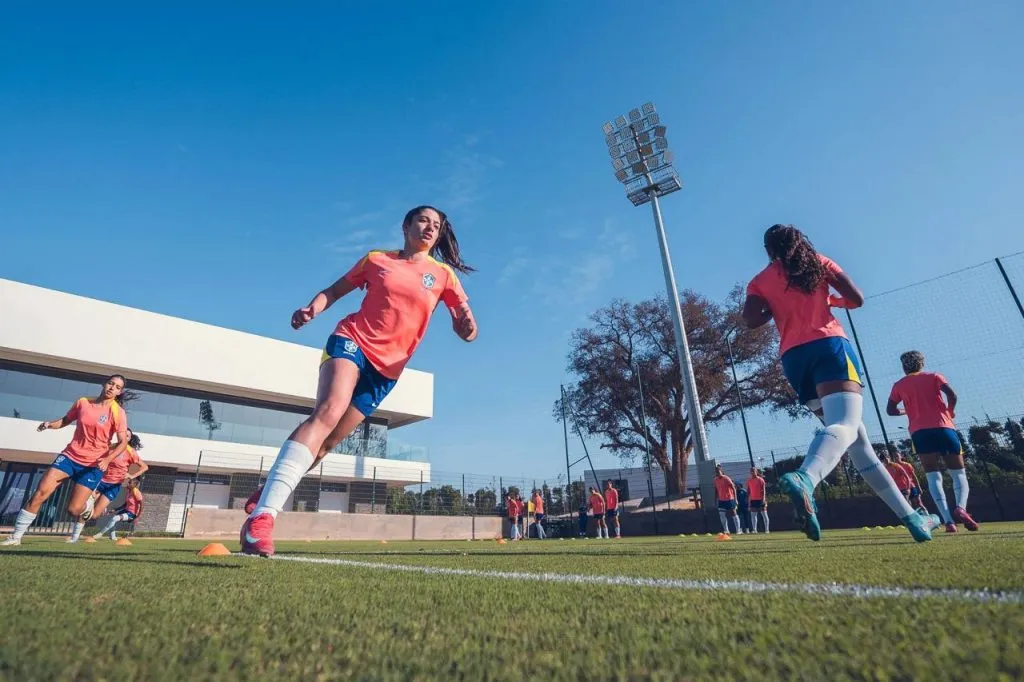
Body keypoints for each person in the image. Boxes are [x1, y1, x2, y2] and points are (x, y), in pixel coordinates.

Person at [241, 206, 478, 556]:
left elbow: (466, 324)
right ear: (407, 225)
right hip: (353, 341)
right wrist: (312, 309)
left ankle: (270, 488)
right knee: (328, 412)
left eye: (437, 225)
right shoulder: (377, 259)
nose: (430, 228)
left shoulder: (443, 276)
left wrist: (467, 328)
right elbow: (334, 291)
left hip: (387, 371)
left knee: (326, 445)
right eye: (424, 220)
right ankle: (263, 519)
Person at [742, 224, 941, 542]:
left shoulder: (759, 281)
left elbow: (751, 319)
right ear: (799, 242)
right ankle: (806, 478)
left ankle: (913, 518)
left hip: (794, 359)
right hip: (830, 347)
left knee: (860, 445)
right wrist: (831, 302)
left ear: (768, 251)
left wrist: (776, 306)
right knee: (845, 425)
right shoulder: (818, 263)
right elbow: (857, 298)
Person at [2, 375, 131, 546]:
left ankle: (86, 508)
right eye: (110, 383)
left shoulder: (117, 412)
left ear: (119, 392)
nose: (112, 388)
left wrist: (108, 459)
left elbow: (123, 443)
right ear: (104, 384)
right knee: (40, 493)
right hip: (70, 456)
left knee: (73, 510)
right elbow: (65, 420)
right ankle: (16, 537)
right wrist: (49, 425)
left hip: (94, 464)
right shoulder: (83, 402)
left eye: (117, 387)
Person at [887, 351, 978, 533]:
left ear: (904, 367)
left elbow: (890, 410)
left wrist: (907, 412)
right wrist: (949, 411)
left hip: (920, 432)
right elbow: (952, 395)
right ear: (922, 363)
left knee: (933, 475)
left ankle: (948, 521)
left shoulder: (899, 385)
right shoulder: (934, 376)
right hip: (944, 428)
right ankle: (960, 508)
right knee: (958, 473)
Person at [73, 429, 149, 543]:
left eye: (128, 436)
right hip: (100, 481)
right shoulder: (110, 447)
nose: (125, 437)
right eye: (123, 434)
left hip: (114, 485)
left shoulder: (131, 452)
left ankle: (100, 510)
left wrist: (131, 476)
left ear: (129, 439)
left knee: (94, 516)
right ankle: (74, 538)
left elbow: (145, 467)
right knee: (84, 507)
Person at [713, 465, 740, 534]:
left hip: (729, 499)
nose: (717, 473)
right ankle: (726, 530)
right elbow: (716, 491)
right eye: (716, 472)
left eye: (718, 472)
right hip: (721, 500)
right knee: (722, 515)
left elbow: (733, 488)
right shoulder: (715, 480)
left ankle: (738, 530)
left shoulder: (726, 478)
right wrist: (715, 500)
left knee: (733, 513)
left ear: (721, 472)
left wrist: (735, 499)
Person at [747, 468, 769, 534]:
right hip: (753, 500)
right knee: (753, 515)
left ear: (756, 472)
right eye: (751, 471)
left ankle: (767, 530)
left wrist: (763, 499)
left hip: (761, 499)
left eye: (753, 471)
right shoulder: (749, 481)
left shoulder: (760, 480)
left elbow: (764, 490)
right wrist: (749, 502)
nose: (752, 472)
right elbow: (749, 492)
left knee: (764, 514)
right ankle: (754, 529)